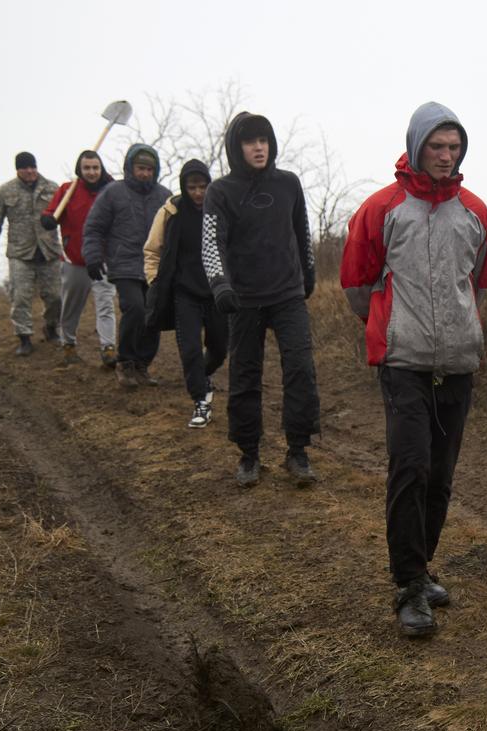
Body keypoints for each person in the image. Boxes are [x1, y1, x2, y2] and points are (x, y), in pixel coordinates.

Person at [340, 102, 487, 638]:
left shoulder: (475, 211)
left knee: (442, 476)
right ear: (416, 146)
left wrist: (456, 330)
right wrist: (392, 325)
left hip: (457, 364)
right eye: (437, 146)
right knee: (410, 467)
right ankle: (407, 586)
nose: (446, 156)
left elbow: (475, 285)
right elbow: (357, 284)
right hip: (402, 361)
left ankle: (421, 568)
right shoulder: (381, 208)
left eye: (454, 147)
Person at [202, 112, 320, 487]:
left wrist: (309, 272)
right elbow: (211, 243)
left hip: (287, 294)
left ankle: (297, 452)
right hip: (243, 299)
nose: (259, 147)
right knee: (245, 375)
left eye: (264, 140)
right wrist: (220, 284)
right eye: (250, 141)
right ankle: (248, 454)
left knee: (301, 369)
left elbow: (301, 229)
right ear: (237, 148)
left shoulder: (288, 184)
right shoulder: (220, 191)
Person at [144, 159, 228, 427]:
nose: (198, 193)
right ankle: (200, 401)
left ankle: (200, 376)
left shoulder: (220, 210)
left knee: (219, 348)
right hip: (184, 292)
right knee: (190, 349)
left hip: (216, 292)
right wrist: (155, 281)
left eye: (203, 186)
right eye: (192, 187)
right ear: (184, 186)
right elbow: (152, 250)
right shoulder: (171, 211)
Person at [82, 144, 170, 387]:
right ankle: (125, 363)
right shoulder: (112, 192)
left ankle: (142, 365)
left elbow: (176, 232)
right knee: (136, 308)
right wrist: (92, 256)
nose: (144, 173)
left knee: (154, 315)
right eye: (140, 168)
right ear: (130, 168)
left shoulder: (165, 196)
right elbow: (94, 228)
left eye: (149, 169)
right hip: (124, 264)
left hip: (155, 266)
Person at [0, 151, 63, 356]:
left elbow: (68, 217)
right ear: (18, 169)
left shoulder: (53, 188)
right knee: (20, 297)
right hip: (20, 253)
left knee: (55, 297)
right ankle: (24, 338)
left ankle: (51, 327)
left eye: (33, 167)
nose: (30, 171)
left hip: (49, 251)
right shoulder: (5, 192)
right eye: (25, 168)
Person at [40, 150, 118, 369]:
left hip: (103, 258)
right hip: (74, 258)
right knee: (71, 305)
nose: (92, 172)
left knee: (105, 304)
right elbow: (51, 213)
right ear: (80, 170)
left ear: (101, 169)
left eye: (95, 168)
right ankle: (69, 345)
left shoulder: (112, 190)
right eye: (87, 168)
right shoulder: (67, 190)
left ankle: (108, 348)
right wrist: (47, 219)